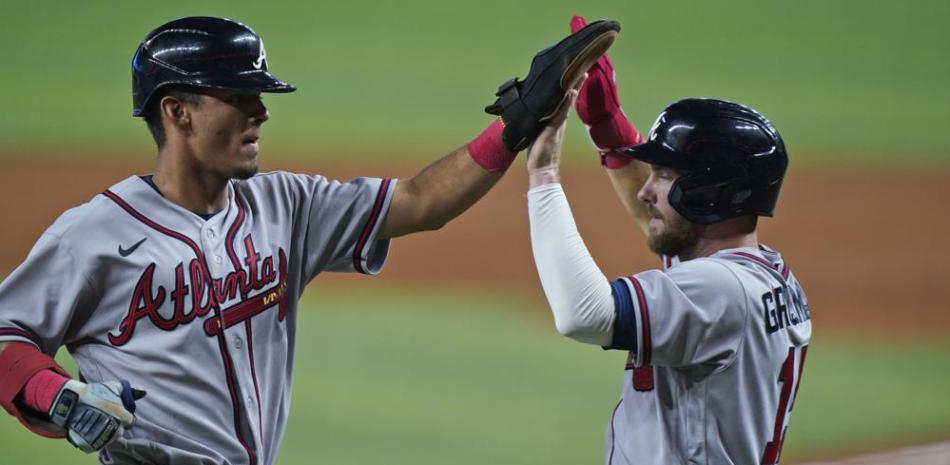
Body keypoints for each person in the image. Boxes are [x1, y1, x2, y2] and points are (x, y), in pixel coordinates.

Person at [0, 16, 619, 464]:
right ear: (177, 112)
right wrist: (57, 395)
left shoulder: (286, 204)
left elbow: (419, 202)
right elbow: (7, 334)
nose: (261, 111)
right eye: (239, 96)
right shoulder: (96, 236)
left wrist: (513, 129)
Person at [523, 15, 811, 465]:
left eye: (665, 177)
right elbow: (665, 223)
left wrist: (542, 173)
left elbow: (582, 314)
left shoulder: (720, 293)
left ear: (711, 192)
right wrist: (608, 128)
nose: (646, 191)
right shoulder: (761, 276)